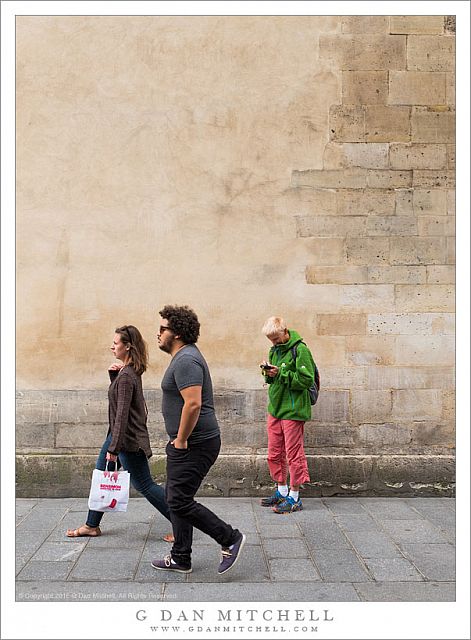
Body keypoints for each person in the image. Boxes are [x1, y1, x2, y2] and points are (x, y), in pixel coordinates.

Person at [151, 305, 245, 575]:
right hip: (191, 442)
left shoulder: (186, 360)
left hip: (195, 443)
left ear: (177, 332)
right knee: (175, 496)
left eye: (162, 328)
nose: (158, 333)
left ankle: (229, 538)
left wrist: (180, 440)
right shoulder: (182, 357)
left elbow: (192, 404)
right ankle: (181, 557)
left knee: (179, 500)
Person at [66, 325, 173, 542]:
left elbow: (123, 414)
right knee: (101, 475)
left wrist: (114, 448)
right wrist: (114, 376)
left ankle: (182, 523)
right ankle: (91, 525)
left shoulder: (127, 376)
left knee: (145, 485)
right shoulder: (127, 372)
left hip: (126, 439)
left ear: (127, 346)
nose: (112, 346)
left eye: (116, 343)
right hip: (117, 435)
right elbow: (121, 404)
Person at [259, 316, 314, 513]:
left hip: (293, 409)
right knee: (274, 452)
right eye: (270, 339)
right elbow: (273, 380)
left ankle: (295, 496)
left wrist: (281, 374)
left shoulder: (300, 350)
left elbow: (306, 380)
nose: (272, 342)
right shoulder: (274, 350)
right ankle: (281, 490)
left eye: (275, 338)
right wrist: (267, 372)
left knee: (293, 454)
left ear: (285, 331)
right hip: (275, 408)